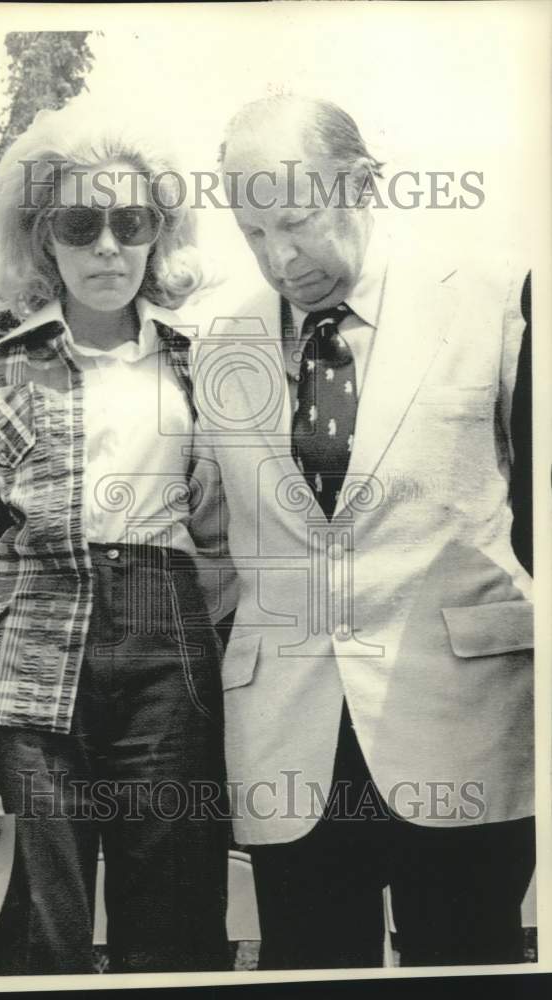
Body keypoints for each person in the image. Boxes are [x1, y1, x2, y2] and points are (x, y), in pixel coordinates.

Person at [197, 93, 534, 969]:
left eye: (296, 220)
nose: (279, 257)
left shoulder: (495, 301)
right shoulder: (215, 344)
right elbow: (207, 541)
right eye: (251, 233)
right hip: (285, 737)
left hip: (463, 726)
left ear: (362, 183)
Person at [0, 100, 231, 976]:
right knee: (28, 939)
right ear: (40, 238)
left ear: (157, 233)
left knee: (173, 938)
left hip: (171, 673)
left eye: (129, 222)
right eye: (78, 223)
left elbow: (238, 541)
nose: (105, 247)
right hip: (28, 683)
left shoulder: (203, 362)